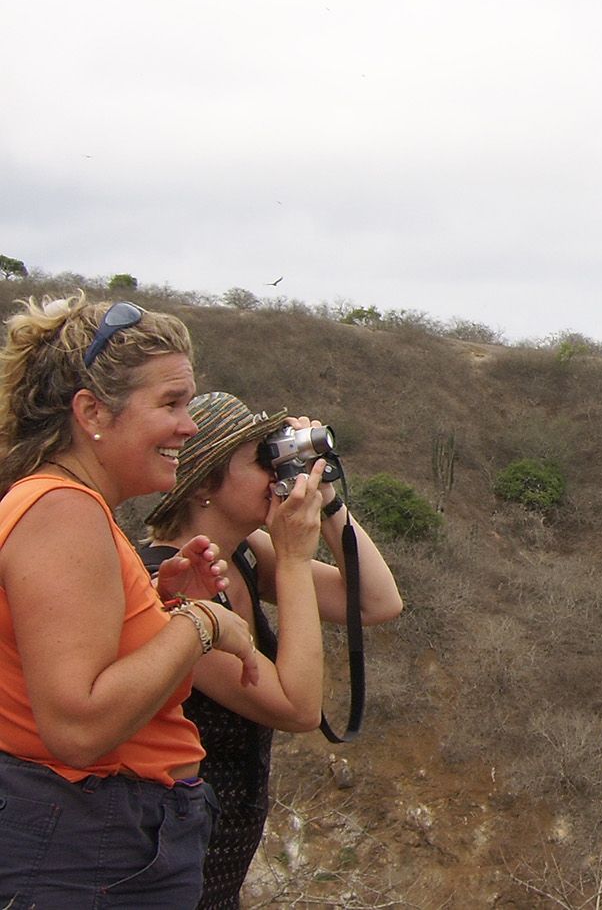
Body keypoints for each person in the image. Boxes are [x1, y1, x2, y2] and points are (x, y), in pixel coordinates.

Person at [0, 294, 274, 906]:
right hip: (89, 844)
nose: (190, 424)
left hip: (103, 838)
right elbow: (77, 726)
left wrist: (157, 609)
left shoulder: (68, 509)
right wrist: (201, 625)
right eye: (171, 403)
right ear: (93, 411)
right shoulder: (62, 510)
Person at [142, 392, 403, 909]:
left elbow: (377, 601)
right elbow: (298, 707)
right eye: (261, 459)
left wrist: (326, 498)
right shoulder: (168, 587)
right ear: (205, 486)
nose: (274, 472)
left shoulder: (239, 553)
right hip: (165, 861)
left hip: (218, 854)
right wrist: (291, 558)